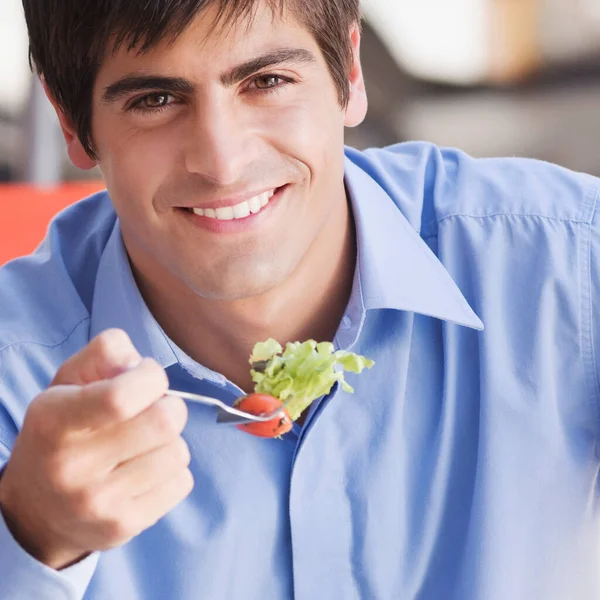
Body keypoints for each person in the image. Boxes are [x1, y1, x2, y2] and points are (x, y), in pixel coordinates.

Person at [1, 0, 599, 598]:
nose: (222, 162)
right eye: (156, 100)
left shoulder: (569, 265)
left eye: (268, 81)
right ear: (72, 123)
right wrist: (28, 535)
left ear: (352, 73)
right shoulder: (14, 374)